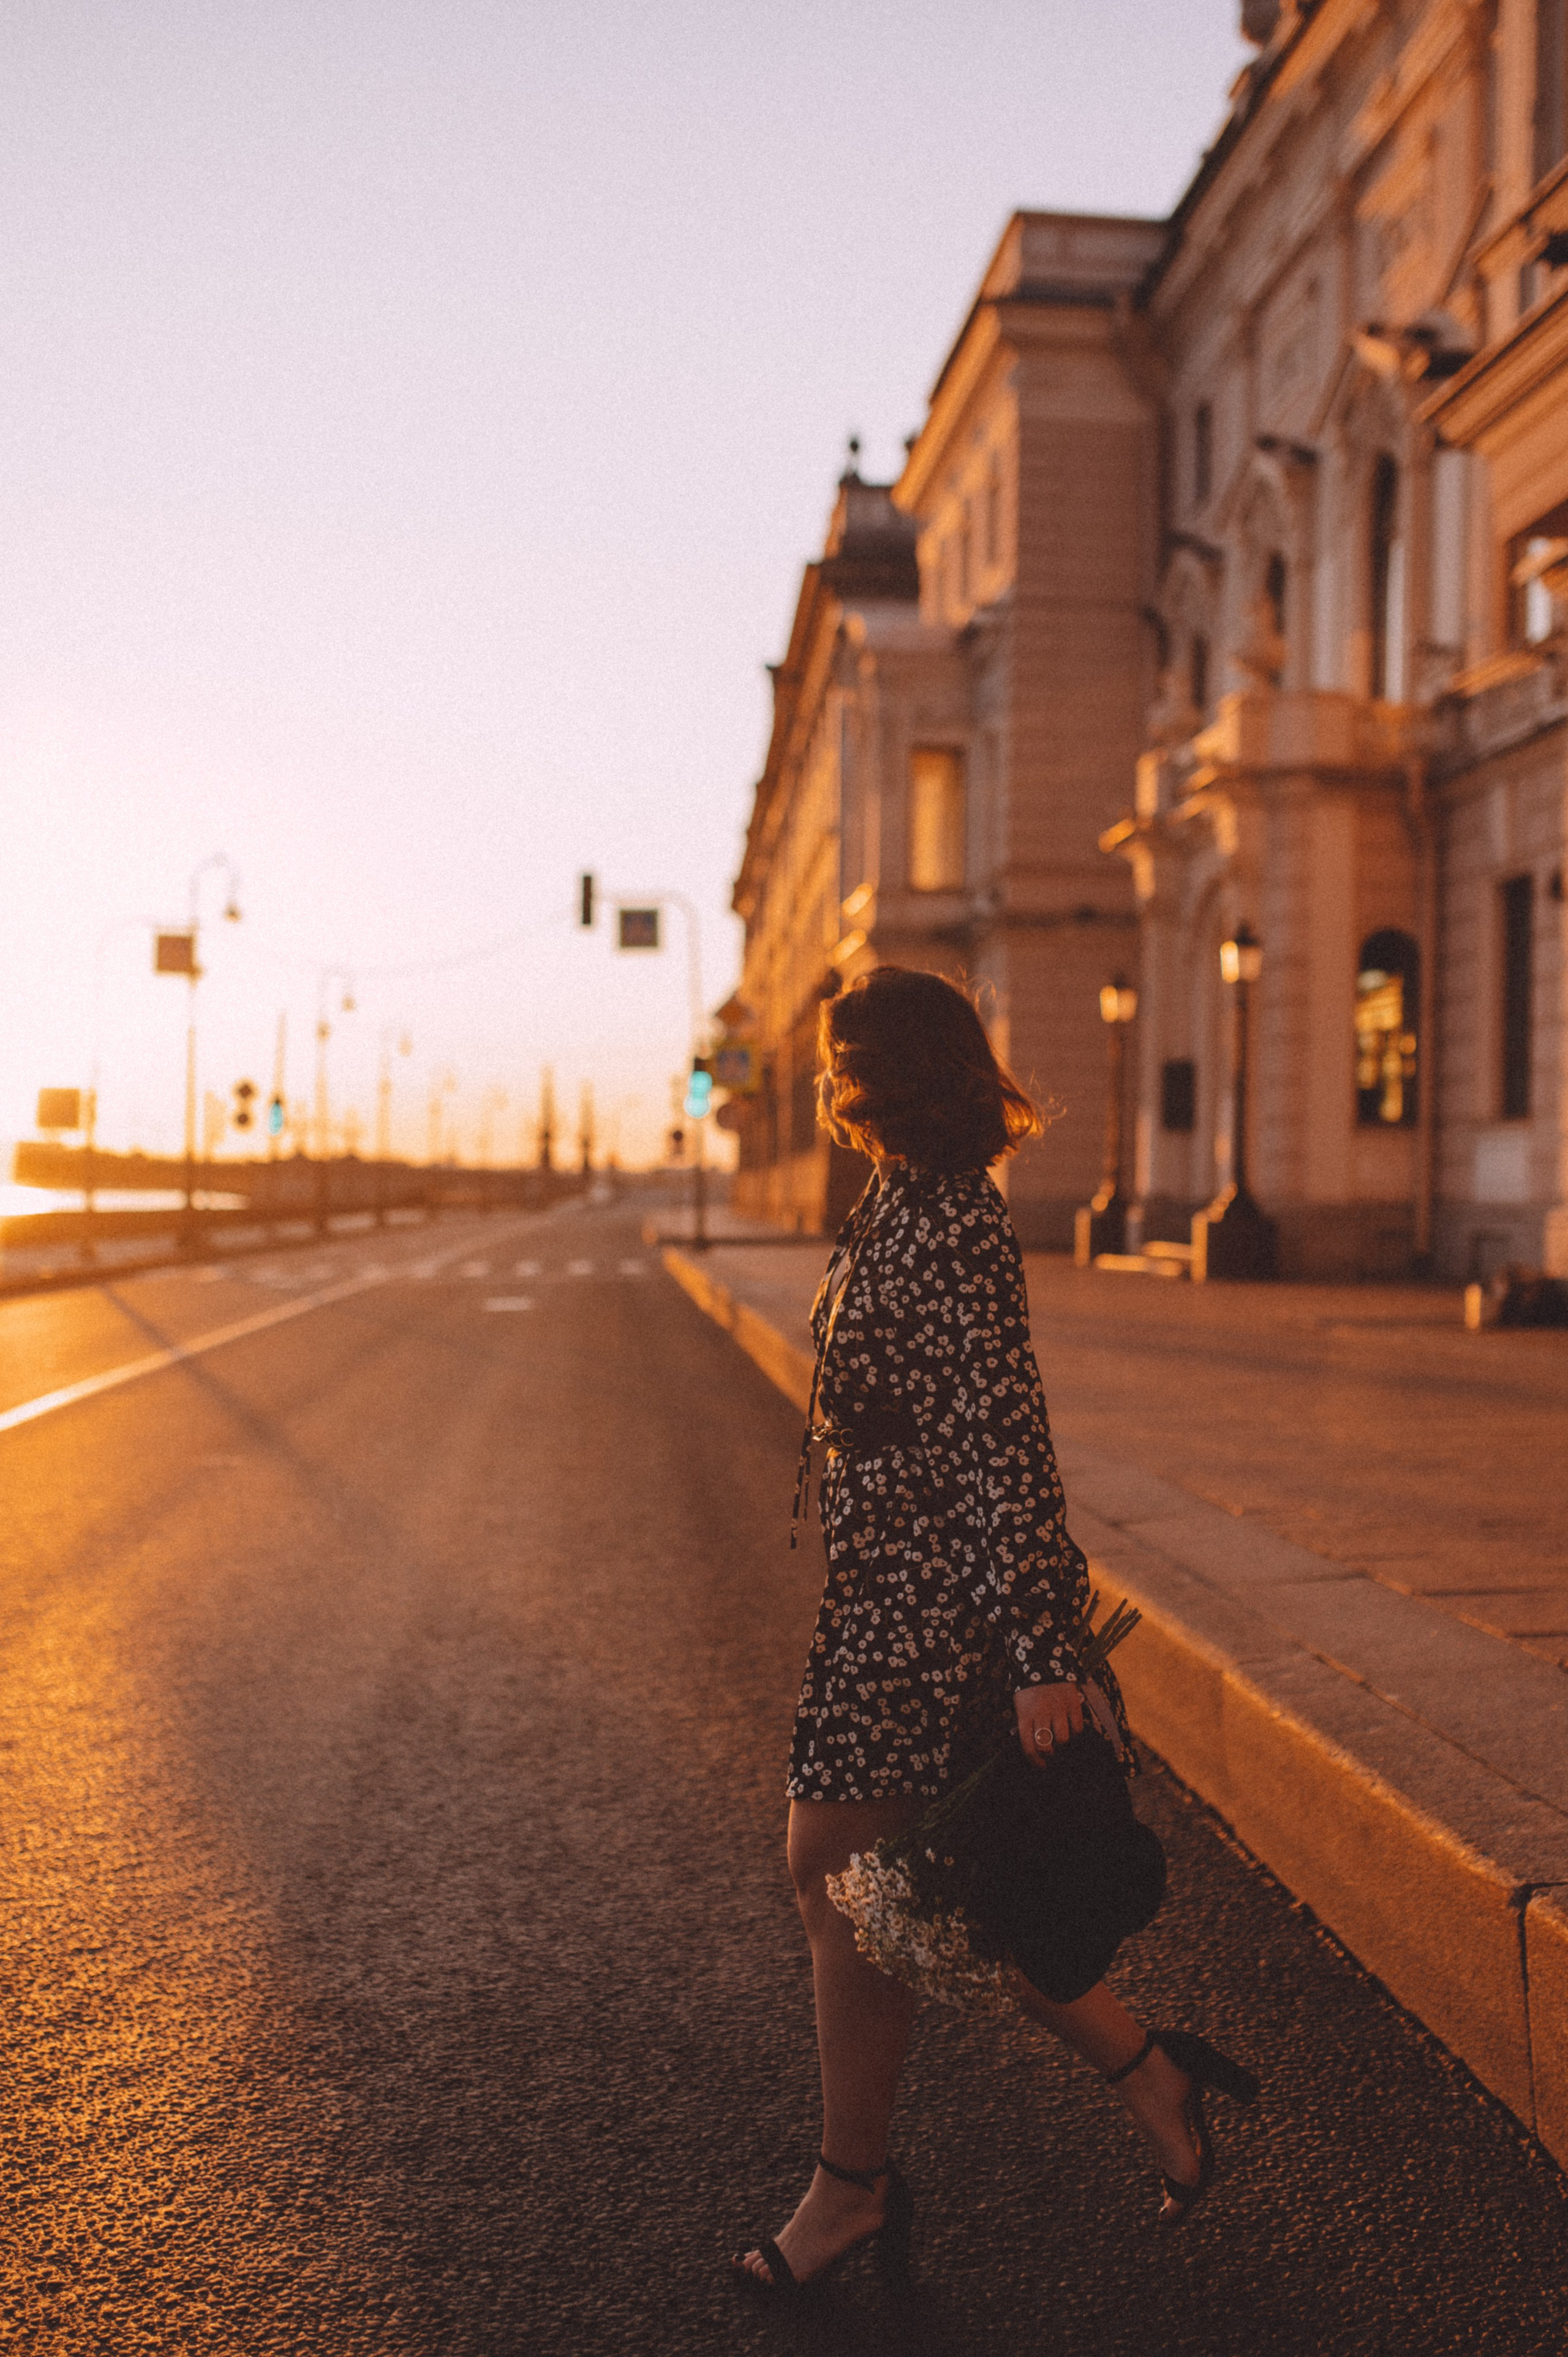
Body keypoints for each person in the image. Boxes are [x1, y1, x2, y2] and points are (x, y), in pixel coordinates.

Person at [733, 967, 1257, 2301]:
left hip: (936, 1608)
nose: (823, 1078)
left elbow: (1004, 1439)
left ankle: (854, 2188)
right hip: (884, 1593)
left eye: (839, 1058)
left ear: (886, 1071)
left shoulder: (953, 1217)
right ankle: (1146, 2079)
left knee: (865, 1883)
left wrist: (1035, 1649)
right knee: (905, 1893)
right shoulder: (898, 1196)